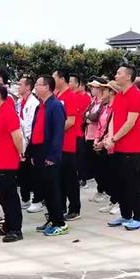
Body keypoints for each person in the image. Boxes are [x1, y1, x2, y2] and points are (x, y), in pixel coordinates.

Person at [104, 65, 140, 231]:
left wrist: (114, 138)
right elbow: (114, 117)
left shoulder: (135, 95)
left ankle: (139, 218)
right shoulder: (120, 95)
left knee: (132, 185)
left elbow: (130, 122)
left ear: (128, 77)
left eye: (119, 73)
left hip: (131, 148)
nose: (116, 75)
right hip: (118, 146)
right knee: (120, 184)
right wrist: (110, 137)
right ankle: (125, 214)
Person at [27, 75, 67, 236]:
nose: (35, 87)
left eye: (38, 84)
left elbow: (58, 133)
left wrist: (53, 156)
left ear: (47, 87)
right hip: (38, 151)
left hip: (49, 152)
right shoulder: (40, 106)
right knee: (44, 189)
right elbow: (35, 129)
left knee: (52, 189)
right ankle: (52, 218)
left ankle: (60, 223)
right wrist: (31, 151)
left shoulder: (55, 106)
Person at [0, 84, 24, 242]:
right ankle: (8, 225)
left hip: (7, 161)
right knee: (2, 196)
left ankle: (16, 229)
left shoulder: (8, 111)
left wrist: (20, 152)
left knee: (9, 196)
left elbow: (17, 136)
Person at [53, 69, 81, 221]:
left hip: (68, 144)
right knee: (59, 178)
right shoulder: (57, 95)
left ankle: (74, 208)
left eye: (54, 77)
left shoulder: (70, 96)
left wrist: (53, 130)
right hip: (58, 144)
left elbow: (70, 121)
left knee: (70, 178)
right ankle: (61, 207)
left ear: (62, 79)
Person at [94, 81, 121, 216]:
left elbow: (114, 128)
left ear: (111, 92)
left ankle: (119, 201)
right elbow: (100, 126)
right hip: (105, 145)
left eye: (104, 90)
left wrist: (105, 141)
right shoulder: (105, 107)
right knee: (109, 175)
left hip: (114, 145)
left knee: (117, 176)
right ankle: (113, 199)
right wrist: (97, 140)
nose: (101, 93)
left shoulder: (116, 107)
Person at [18, 76, 40, 211]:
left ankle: (36, 199)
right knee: (23, 173)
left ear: (28, 87)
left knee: (32, 172)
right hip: (21, 141)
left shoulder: (34, 103)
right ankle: (25, 198)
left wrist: (28, 143)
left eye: (20, 84)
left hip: (30, 141)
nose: (18, 86)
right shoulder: (20, 101)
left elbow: (30, 125)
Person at [85, 78, 107, 198]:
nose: (91, 89)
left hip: (99, 137)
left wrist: (89, 117)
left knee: (101, 166)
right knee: (94, 165)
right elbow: (85, 115)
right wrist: (88, 116)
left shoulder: (104, 102)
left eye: (93, 87)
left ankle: (104, 190)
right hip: (89, 135)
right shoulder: (93, 101)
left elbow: (94, 116)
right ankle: (100, 189)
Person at [69, 74, 91, 189]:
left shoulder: (84, 97)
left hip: (79, 131)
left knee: (80, 157)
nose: (69, 83)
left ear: (77, 84)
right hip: (71, 132)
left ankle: (83, 177)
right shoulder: (69, 96)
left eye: (71, 81)